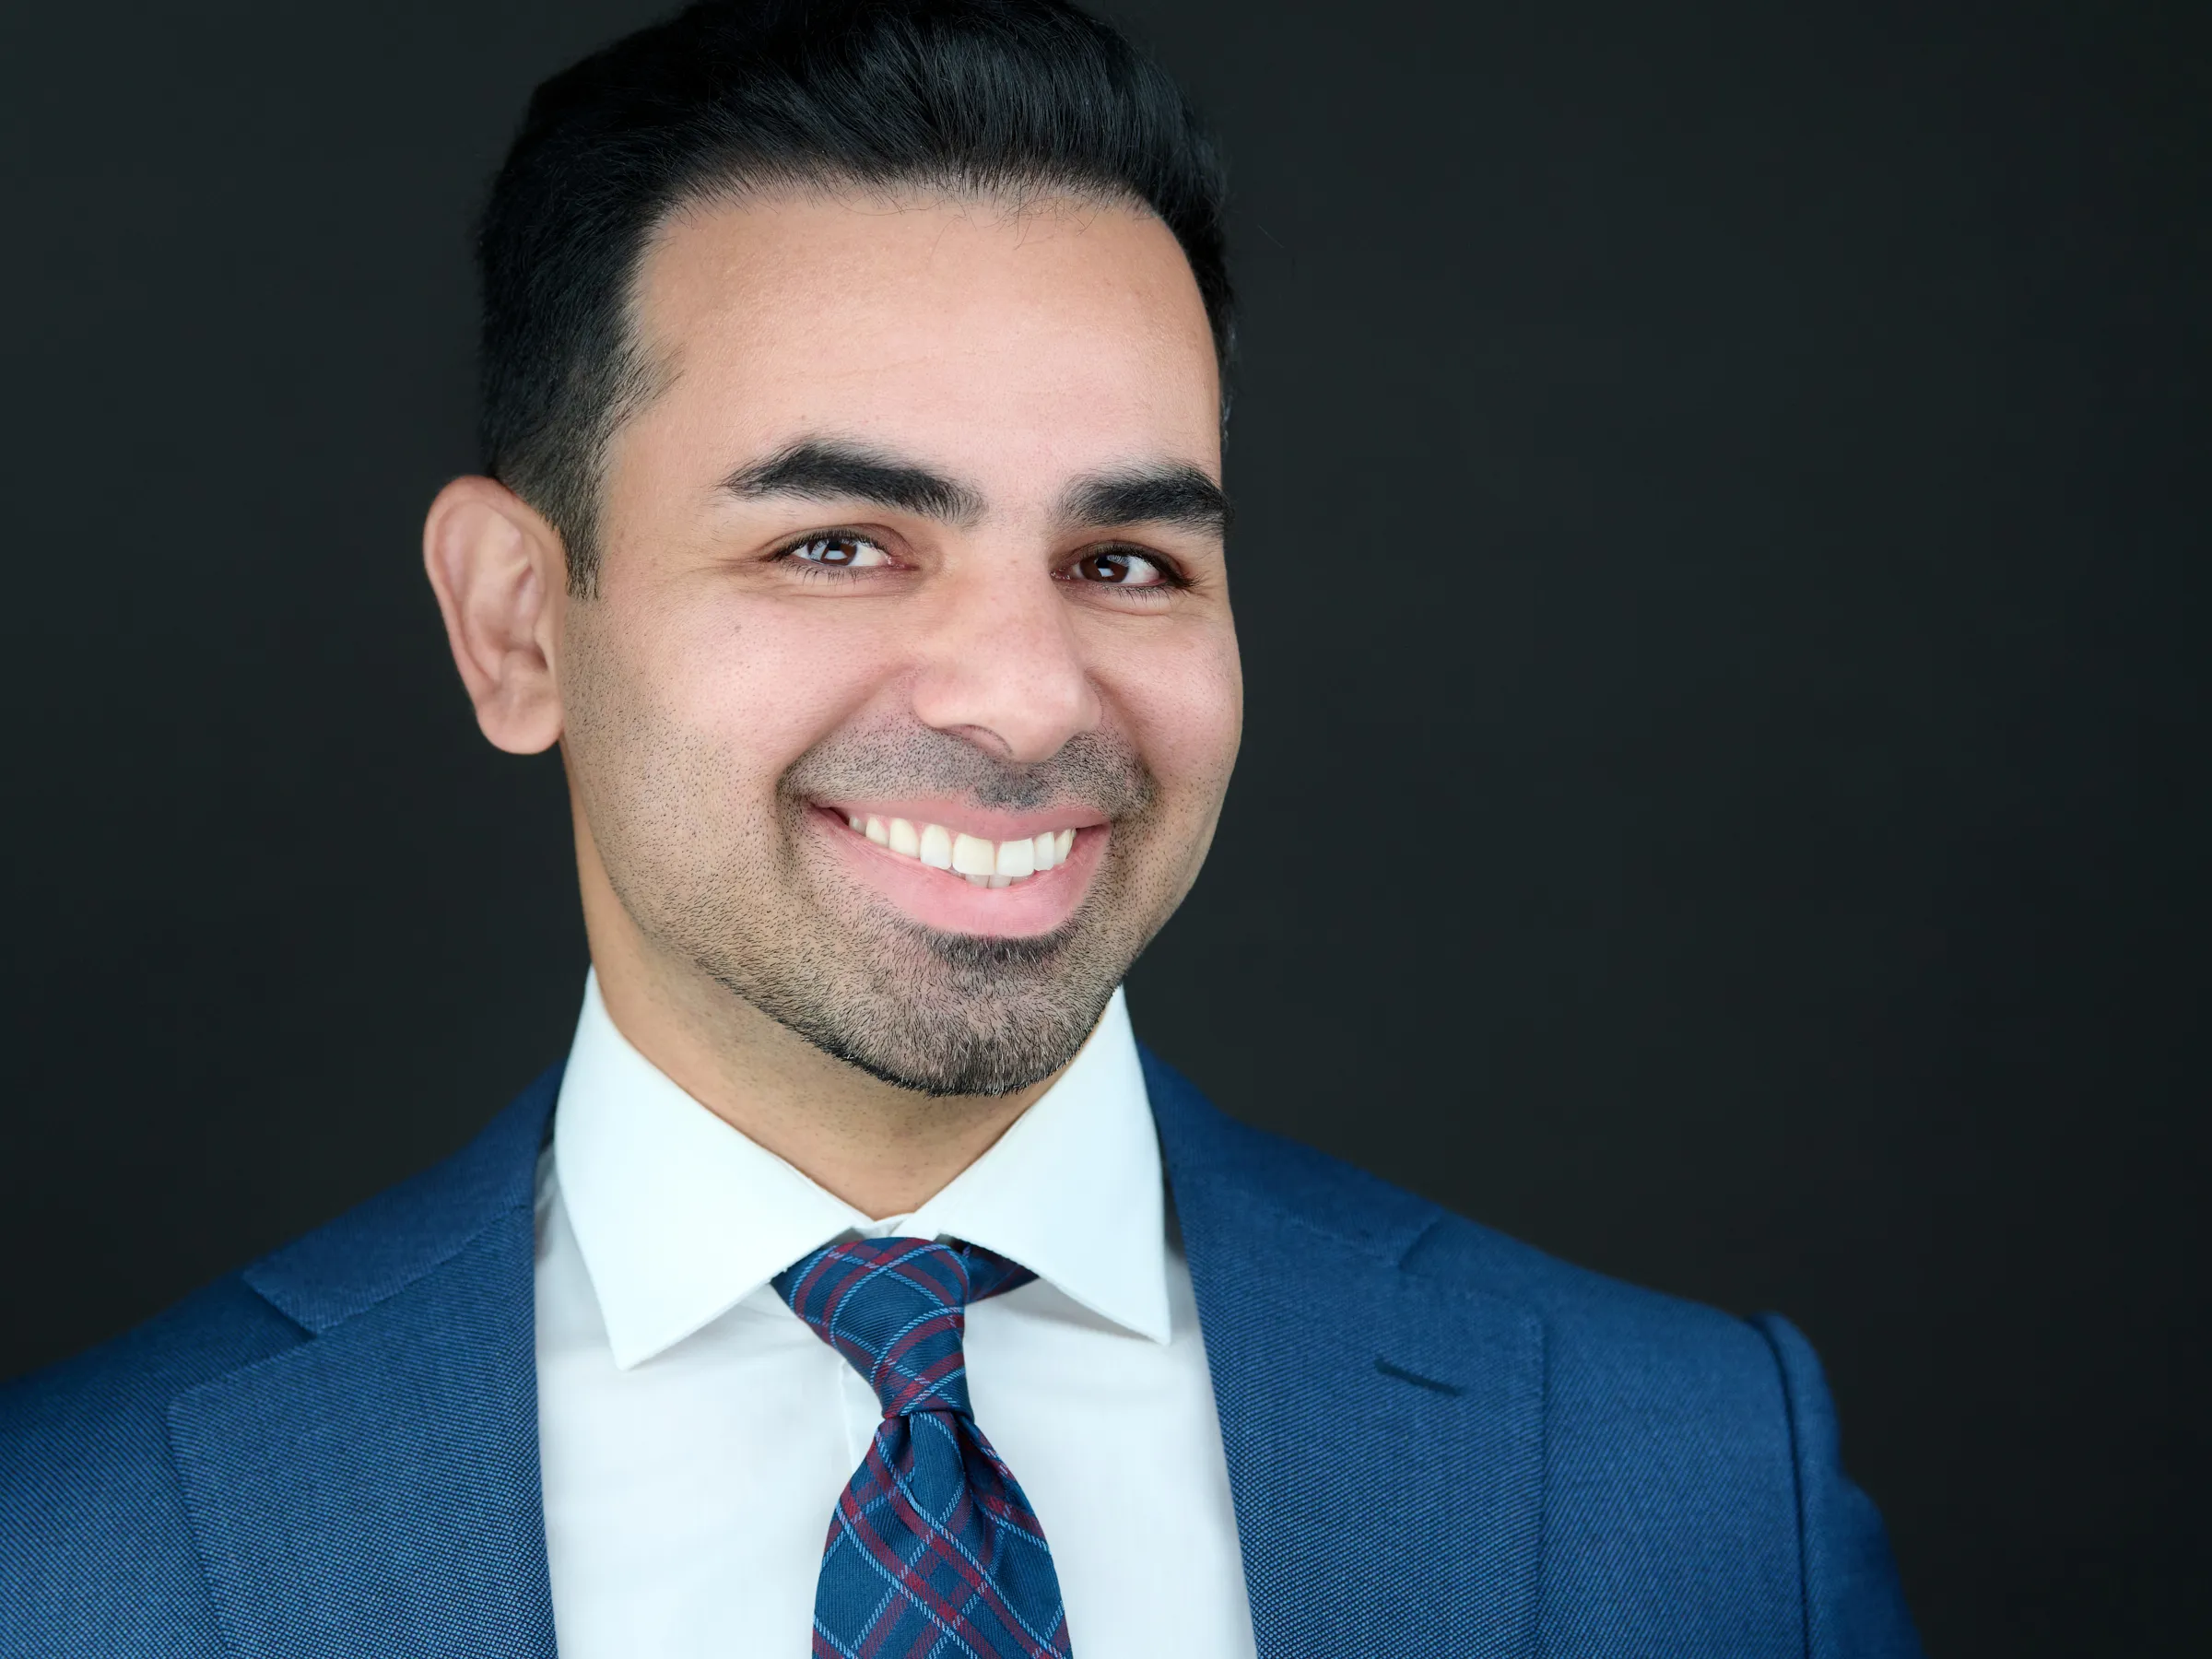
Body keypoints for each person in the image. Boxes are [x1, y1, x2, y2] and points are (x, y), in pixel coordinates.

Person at [0, 2, 1923, 1653]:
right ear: (519, 624)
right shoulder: (71, 1560)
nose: (1024, 694)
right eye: (836, 544)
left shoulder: (1687, 1483)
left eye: (1125, 556)